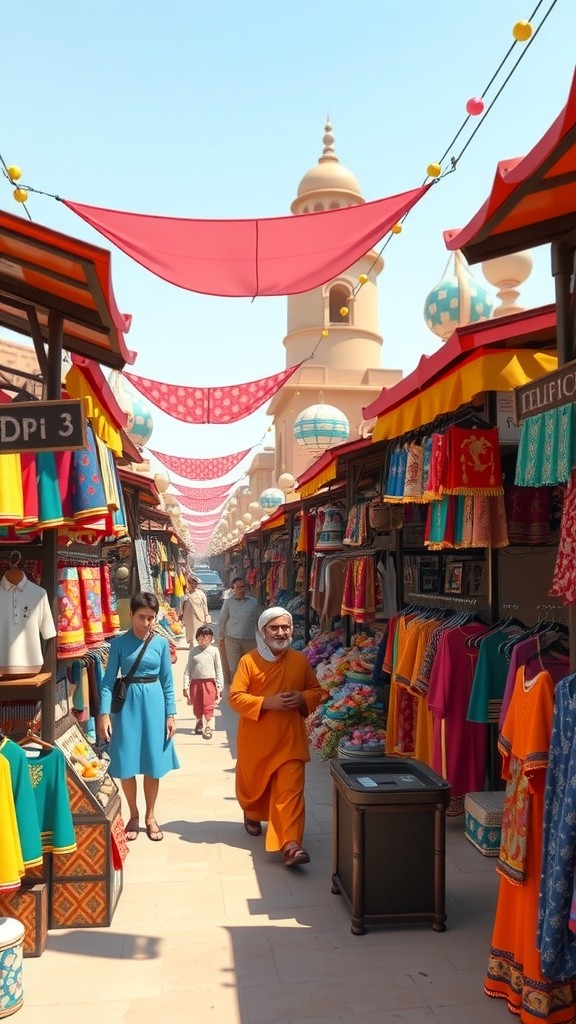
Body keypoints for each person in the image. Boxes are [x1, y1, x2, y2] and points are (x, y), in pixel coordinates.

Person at [229, 607, 322, 868]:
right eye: (274, 628)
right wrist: (267, 703)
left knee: (290, 791)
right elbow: (235, 698)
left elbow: (316, 690)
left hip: (290, 739)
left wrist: (302, 698)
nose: (281, 633)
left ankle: (291, 844)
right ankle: (252, 811)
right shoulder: (248, 661)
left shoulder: (300, 660)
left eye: (285, 627)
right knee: (256, 787)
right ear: (262, 631)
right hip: (256, 740)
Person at [98, 592, 179, 842]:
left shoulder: (161, 644)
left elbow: (167, 681)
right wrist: (103, 713)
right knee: (127, 763)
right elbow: (107, 682)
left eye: (151, 618)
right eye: (142, 617)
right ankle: (133, 814)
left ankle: (151, 815)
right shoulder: (119, 644)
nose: (147, 623)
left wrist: (171, 713)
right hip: (127, 707)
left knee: (153, 763)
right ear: (131, 614)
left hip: (154, 705)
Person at [183, 625, 224, 740]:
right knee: (197, 706)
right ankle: (199, 722)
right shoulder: (193, 652)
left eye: (206, 638)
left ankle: (208, 727)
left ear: (211, 639)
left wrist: (220, 687)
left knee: (208, 706)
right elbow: (188, 669)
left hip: (209, 684)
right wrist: (185, 685)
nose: (203, 641)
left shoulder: (214, 651)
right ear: (197, 638)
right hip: (195, 683)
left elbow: (218, 669)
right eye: (200, 638)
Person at [219, 575, 259, 678]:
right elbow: (223, 619)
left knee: (250, 664)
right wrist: (221, 636)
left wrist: (261, 637)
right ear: (233, 589)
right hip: (232, 639)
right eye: (238, 587)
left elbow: (258, 620)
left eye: (243, 587)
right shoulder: (228, 602)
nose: (241, 590)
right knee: (234, 666)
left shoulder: (253, 602)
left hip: (249, 640)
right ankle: (236, 689)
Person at [180, 574, 210, 646]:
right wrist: (181, 616)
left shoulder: (201, 594)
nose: (192, 585)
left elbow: (205, 606)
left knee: (198, 629)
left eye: (194, 583)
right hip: (188, 616)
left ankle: (198, 642)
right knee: (190, 630)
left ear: (196, 584)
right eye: (190, 583)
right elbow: (182, 606)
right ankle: (191, 643)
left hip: (199, 616)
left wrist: (206, 616)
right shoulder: (185, 594)